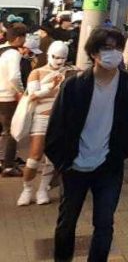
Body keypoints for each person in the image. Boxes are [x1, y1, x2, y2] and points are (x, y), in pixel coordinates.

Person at [46, 28, 128, 262]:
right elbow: (55, 128)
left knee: (104, 224)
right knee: (66, 222)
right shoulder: (74, 85)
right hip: (74, 166)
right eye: (106, 48)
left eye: (117, 49)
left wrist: (119, 154)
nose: (113, 54)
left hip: (108, 166)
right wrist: (64, 162)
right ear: (93, 53)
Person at [16, 41, 76, 206]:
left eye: (62, 58)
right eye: (56, 57)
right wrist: (53, 87)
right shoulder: (37, 73)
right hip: (41, 118)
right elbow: (33, 95)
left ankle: (43, 189)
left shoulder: (70, 72)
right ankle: (27, 189)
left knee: (51, 158)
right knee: (34, 156)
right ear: (49, 55)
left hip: (60, 119)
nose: (58, 61)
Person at [0, 22, 28, 176]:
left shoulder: (2, 50)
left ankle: (1, 160)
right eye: (24, 36)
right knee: (12, 131)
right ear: (18, 38)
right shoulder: (13, 54)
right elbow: (14, 76)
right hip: (7, 97)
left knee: (2, 131)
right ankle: (9, 166)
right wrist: (21, 92)